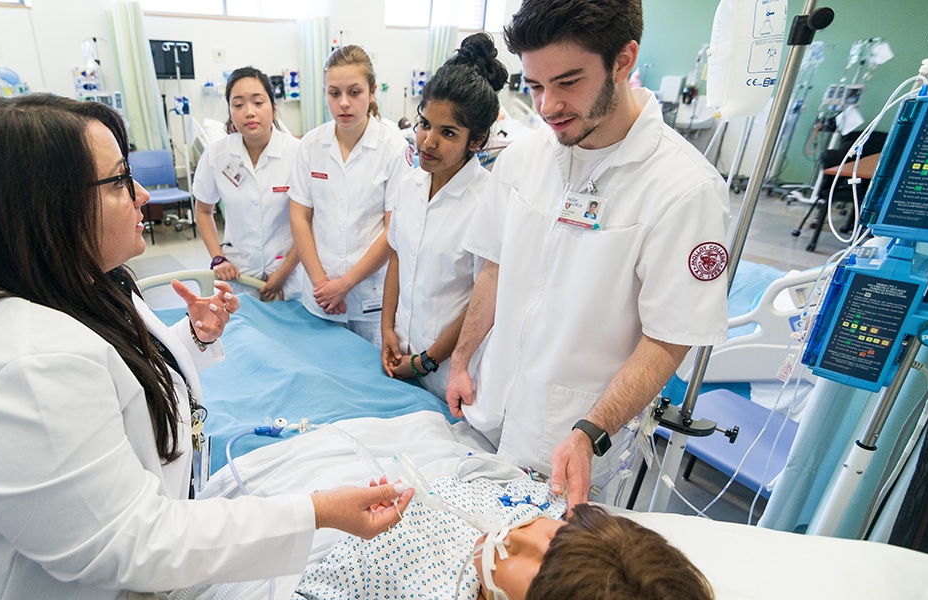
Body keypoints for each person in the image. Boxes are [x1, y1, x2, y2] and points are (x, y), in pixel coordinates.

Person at [0, 94, 413, 599]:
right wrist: (317, 511)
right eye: (118, 182)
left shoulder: (84, 285)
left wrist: (190, 339)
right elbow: (129, 540)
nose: (143, 196)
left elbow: (111, 379)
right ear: (43, 208)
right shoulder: (14, 366)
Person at [445, 0, 730, 504]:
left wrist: (589, 433)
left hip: (571, 450)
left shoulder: (684, 190)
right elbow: (494, 265)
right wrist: (463, 359)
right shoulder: (526, 159)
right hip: (485, 416)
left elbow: (669, 337)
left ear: (623, 61)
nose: (547, 105)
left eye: (568, 82)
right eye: (534, 85)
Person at [296, 475, 713, 600]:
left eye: (533, 564)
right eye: (554, 534)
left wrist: (317, 512)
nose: (511, 536)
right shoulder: (534, 506)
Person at [380, 33, 506, 399]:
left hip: (449, 371)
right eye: (425, 124)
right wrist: (387, 328)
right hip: (399, 353)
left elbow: (479, 303)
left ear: (477, 140)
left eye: (447, 132)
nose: (427, 141)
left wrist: (427, 360)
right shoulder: (409, 184)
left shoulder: (487, 201)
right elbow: (397, 255)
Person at [290, 44, 414, 347]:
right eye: (334, 93)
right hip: (320, 297)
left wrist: (344, 284)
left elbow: (392, 229)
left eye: (354, 92)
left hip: (370, 298)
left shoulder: (394, 148)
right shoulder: (310, 145)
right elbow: (299, 217)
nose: (344, 103)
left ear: (372, 92)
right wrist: (323, 285)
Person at [192, 66, 301, 301]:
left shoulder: (296, 154)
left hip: (290, 277)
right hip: (238, 274)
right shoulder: (217, 155)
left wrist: (284, 273)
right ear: (230, 111)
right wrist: (217, 257)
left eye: (258, 103)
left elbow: (309, 221)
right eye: (238, 105)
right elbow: (203, 210)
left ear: (273, 108)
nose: (248, 112)